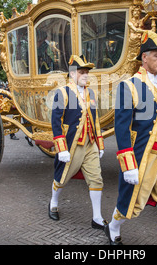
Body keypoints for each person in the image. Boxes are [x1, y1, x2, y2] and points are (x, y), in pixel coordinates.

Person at [104, 30, 157, 245]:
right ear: (144, 57)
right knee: (132, 204)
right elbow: (121, 127)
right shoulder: (128, 86)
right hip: (142, 155)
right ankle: (113, 226)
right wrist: (128, 164)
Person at [49, 54, 106, 229]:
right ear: (73, 74)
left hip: (90, 143)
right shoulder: (62, 92)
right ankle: (53, 203)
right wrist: (62, 148)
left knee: (96, 179)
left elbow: (95, 120)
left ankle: (97, 217)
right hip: (71, 144)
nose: (86, 75)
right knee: (62, 178)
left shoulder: (91, 93)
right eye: (82, 72)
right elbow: (56, 122)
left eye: (87, 72)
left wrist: (100, 143)